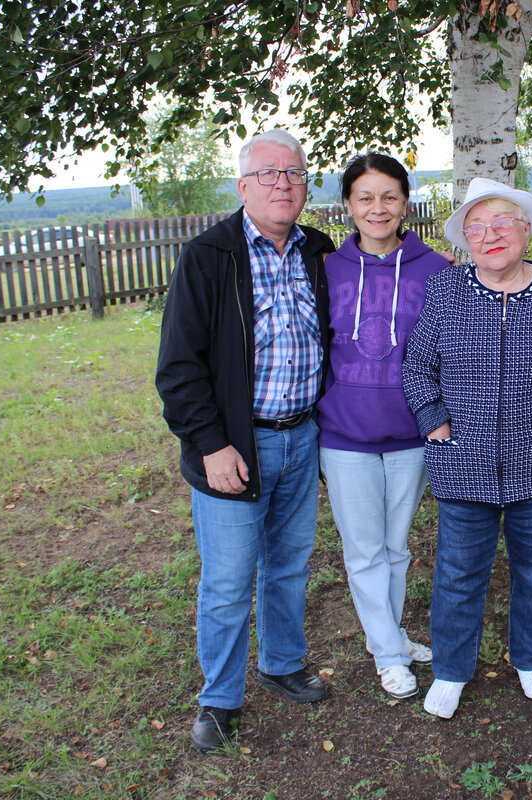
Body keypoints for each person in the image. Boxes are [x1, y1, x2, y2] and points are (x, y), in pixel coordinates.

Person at [156, 129, 335, 753]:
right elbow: (178, 366)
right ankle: (220, 698)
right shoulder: (210, 255)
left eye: (293, 173)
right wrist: (210, 443)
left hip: (303, 436)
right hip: (236, 445)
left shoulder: (318, 249)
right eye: (268, 173)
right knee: (230, 578)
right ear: (242, 186)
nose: (282, 183)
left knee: (288, 565)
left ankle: (282, 662)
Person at [403, 178, 532, 720]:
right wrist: (434, 422)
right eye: (477, 228)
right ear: (465, 241)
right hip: (464, 462)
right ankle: (453, 669)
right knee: (458, 574)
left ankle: (531, 659)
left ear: (527, 229)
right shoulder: (447, 290)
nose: (491, 235)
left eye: (503, 222)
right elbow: (417, 366)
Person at [318, 153, 449, 699]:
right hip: (344, 434)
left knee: (396, 547)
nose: (378, 208)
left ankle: (387, 635)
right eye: (365, 197)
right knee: (365, 549)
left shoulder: (435, 269)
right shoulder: (325, 270)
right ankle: (390, 653)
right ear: (348, 205)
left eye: (389, 196)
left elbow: (450, 350)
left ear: (406, 204)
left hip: (412, 433)